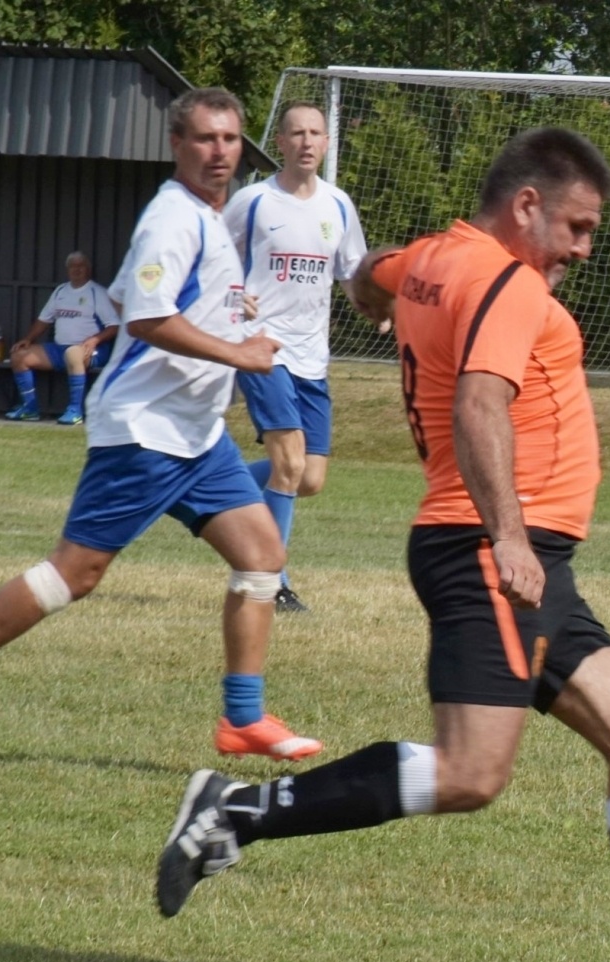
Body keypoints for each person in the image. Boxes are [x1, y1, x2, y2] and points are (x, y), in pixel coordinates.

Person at [154, 127, 610, 962]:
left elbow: (370, 280)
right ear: (525, 206)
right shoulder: (510, 282)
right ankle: (234, 815)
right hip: (490, 551)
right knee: (473, 774)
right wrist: (508, 536)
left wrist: (374, 295)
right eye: (577, 228)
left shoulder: (432, 258)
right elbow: (480, 402)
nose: (583, 251)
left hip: (526, 559)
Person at [0, 88, 323, 766]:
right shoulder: (174, 218)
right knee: (76, 572)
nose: (220, 152)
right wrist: (239, 351)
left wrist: (229, 315)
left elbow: (130, 292)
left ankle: (243, 717)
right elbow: (147, 318)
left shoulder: (209, 218)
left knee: (262, 556)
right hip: (146, 428)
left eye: (231, 139)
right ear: (177, 146)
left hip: (194, 430)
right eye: (206, 140)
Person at [223, 101, 368, 613]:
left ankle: (217, 480)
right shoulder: (252, 202)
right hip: (262, 348)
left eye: (316, 133)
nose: (307, 142)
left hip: (313, 357)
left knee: (308, 477)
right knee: (287, 462)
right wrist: (230, 296)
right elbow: (209, 259)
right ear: (280, 143)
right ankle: (272, 581)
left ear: (327, 143)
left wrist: (381, 307)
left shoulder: (338, 206)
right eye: (296, 134)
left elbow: (352, 273)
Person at [5, 251, 120, 425]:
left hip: (91, 350)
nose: (76, 270)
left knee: (73, 353)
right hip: (59, 349)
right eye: (72, 266)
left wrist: (95, 339)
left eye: (80, 266)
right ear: (67, 270)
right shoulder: (60, 291)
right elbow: (44, 320)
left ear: (88, 269)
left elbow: (114, 326)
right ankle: (30, 409)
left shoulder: (97, 293)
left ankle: (75, 411)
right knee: (19, 355)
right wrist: (28, 338)